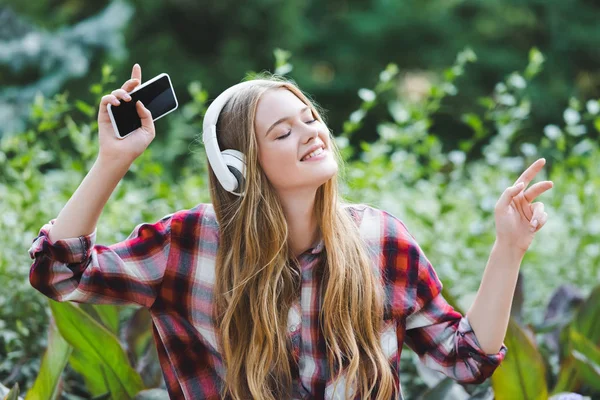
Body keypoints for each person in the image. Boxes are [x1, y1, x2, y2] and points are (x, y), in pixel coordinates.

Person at [28, 64, 553, 400]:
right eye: (283, 131)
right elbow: (58, 273)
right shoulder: (188, 244)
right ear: (238, 168)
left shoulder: (381, 240)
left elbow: (466, 360)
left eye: (309, 118)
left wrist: (509, 248)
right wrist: (112, 161)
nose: (310, 133)